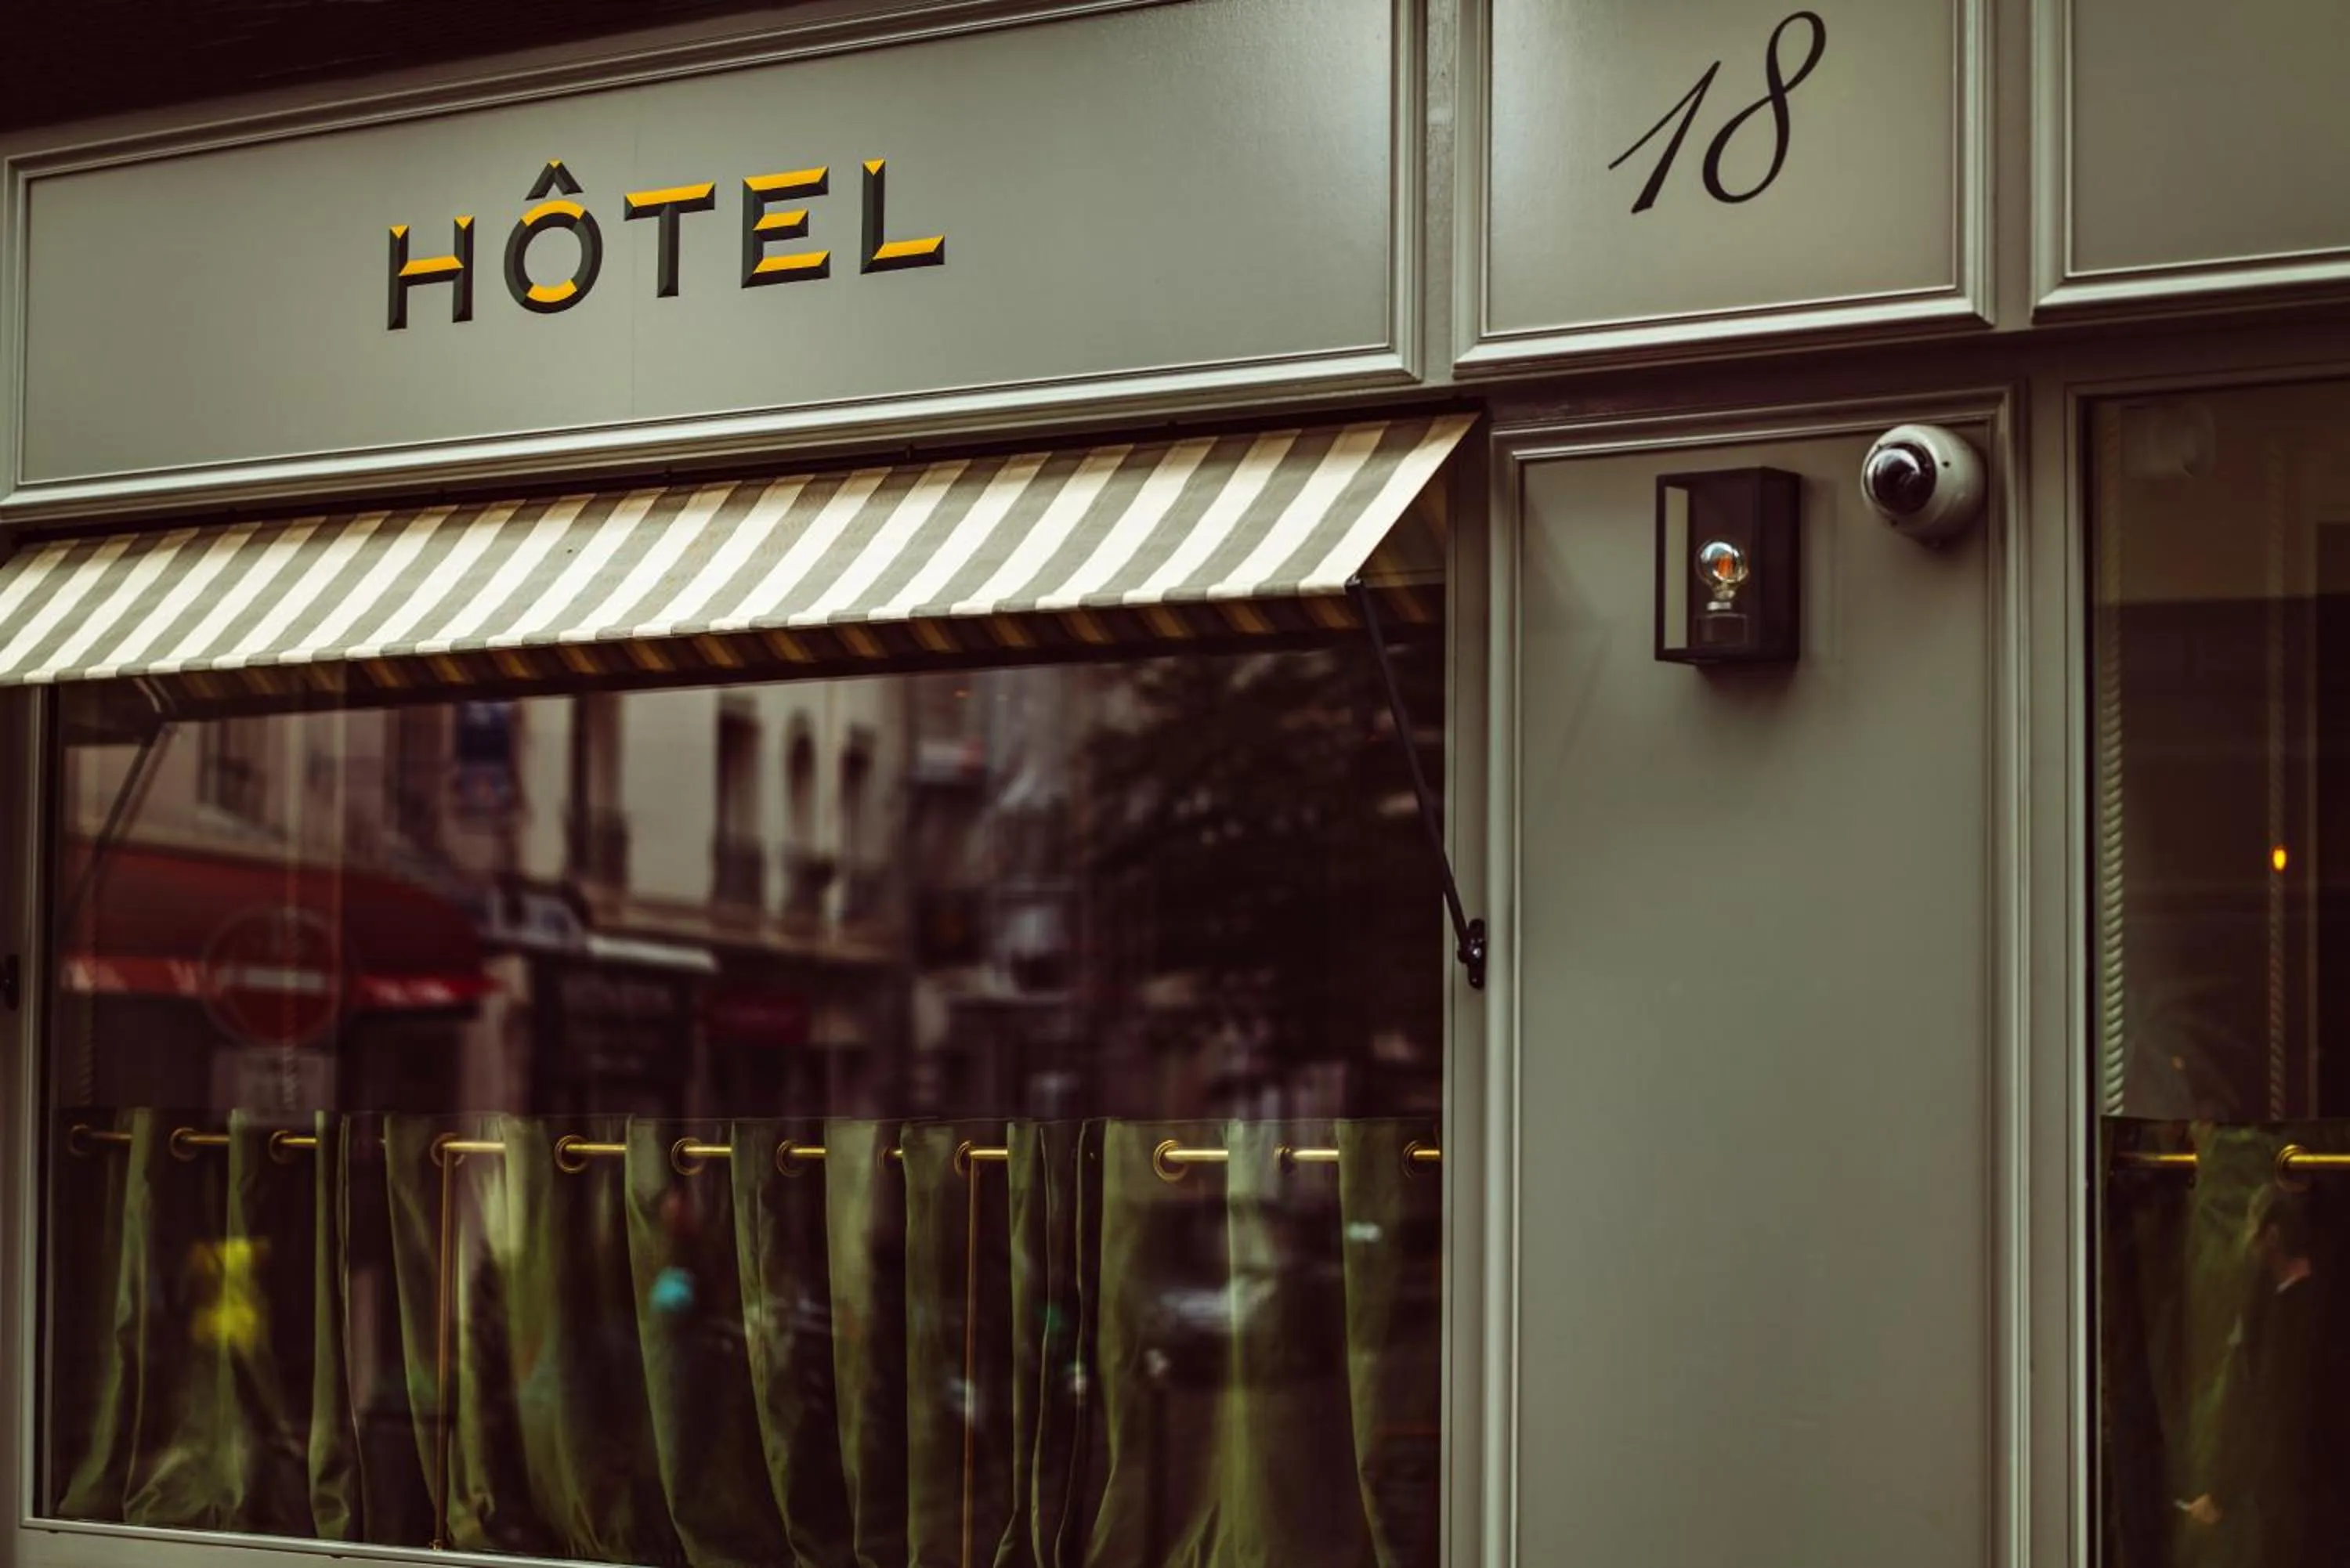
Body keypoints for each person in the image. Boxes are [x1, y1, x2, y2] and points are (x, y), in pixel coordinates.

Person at [2180, 1182, 2346, 1567]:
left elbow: (2271, 1417)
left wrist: (2223, 1492)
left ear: (2272, 1235)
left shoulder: (2291, 1319)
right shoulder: (2313, 1305)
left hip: (2297, 1505)